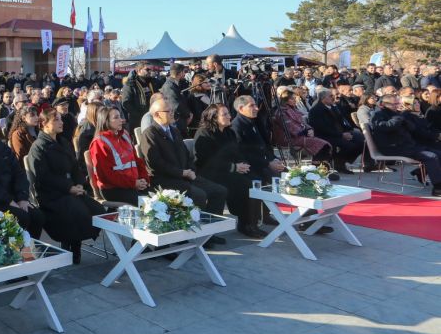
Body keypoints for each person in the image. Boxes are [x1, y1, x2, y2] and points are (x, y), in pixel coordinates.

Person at [141, 100, 228, 243]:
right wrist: (181, 173)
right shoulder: (150, 133)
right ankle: (193, 233)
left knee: (219, 191)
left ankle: (209, 232)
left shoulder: (174, 130)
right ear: (157, 114)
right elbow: (156, 164)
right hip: (165, 179)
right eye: (168, 111)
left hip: (185, 175)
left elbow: (186, 155)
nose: (172, 114)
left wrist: (190, 170)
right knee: (199, 195)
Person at [25, 108, 104, 263]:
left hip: (72, 190)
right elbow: (44, 177)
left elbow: (75, 167)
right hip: (52, 194)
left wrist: (80, 184)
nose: (61, 122)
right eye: (56, 120)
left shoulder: (63, 142)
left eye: (60, 119)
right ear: (44, 125)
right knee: (78, 212)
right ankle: (72, 247)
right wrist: (68, 188)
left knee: (98, 210)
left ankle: (74, 242)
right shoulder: (39, 147)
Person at [193, 104, 265, 237]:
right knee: (245, 185)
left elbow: (237, 153)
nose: (229, 116)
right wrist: (233, 167)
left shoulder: (229, 132)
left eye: (228, 113)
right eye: (224, 114)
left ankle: (251, 222)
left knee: (257, 180)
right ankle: (243, 225)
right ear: (214, 118)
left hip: (230, 170)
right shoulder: (204, 133)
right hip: (211, 173)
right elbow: (207, 160)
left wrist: (243, 164)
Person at [370, 95, 441, 196]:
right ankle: (438, 188)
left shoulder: (397, 114)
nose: (396, 106)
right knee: (431, 156)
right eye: (393, 104)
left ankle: (426, 175)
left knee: (438, 153)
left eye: (397, 103)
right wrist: (399, 117)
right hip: (393, 147)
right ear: (384, 104)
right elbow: (386, 127)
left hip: (407, 145)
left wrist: (404, 118)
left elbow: (411, 128)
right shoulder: (377, 114)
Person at [88, 106, 149, 205]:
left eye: (120, 116)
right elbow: (106, 176)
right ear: (105, 121)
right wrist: (133, 183)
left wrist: (144, 179)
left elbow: (136, 160)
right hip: (113, 189)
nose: (121, 120)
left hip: (133, 184)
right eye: (116, 117)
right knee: (148, 204)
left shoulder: (124, 134)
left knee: (160, 197)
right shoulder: (100, 142)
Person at [309, 88, 365, 174]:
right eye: (331, 96)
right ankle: (339, 163)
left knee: (362, 141)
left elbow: (341, 122)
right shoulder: (316, 110)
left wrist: (349, 130)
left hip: (339, 133)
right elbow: (322, 128)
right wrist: (341, 135)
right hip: (325, 135)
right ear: (323, 98)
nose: (333, 98)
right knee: (350, 146)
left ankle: (340, 161)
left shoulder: (333, 107)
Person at [273, 90, 333, 165]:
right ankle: (317, 166)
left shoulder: (294, 109)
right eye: (292, 99)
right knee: (323, 145)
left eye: (295, 98)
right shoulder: (281, 112)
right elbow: (290, 127)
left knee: (325, 142)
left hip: (300, 135)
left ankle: (321, 166)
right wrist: (306, 131)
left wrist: (309, 129)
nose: (295, 100)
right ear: (286, 100)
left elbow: (303, 122)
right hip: (289, 138)